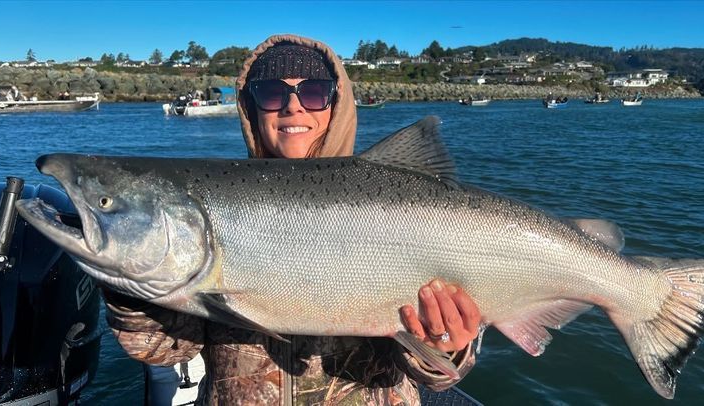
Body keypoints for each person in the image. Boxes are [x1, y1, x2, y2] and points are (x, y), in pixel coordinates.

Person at [104, 34, 482, 405]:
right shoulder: (216, 210)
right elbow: (165, 350)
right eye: (271, 93)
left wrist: (446, 345)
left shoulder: (403, 207)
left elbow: (439, 376)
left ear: (337, 104)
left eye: (314, 92)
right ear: (250, 108)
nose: (293, 107)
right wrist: (131, 268)